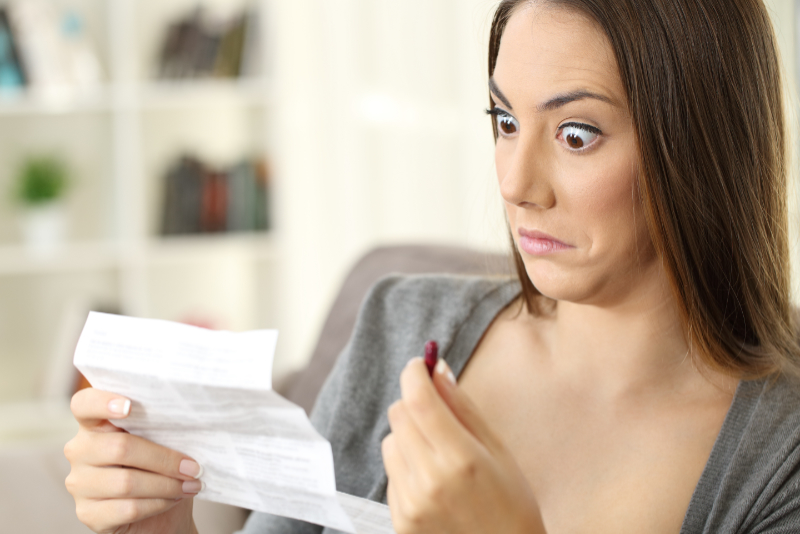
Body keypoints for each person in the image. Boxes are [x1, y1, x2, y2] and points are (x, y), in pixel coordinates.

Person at [64, 0, 800, 532]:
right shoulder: (402, 322)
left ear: (701, 149)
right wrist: (154, 526)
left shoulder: (778, 457)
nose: (515, 182)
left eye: (576, 134)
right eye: (506, 122)